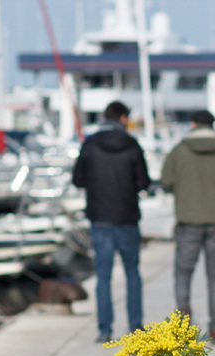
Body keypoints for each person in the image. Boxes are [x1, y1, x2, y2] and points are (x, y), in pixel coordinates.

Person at [160, 109, 215, 344]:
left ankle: (184, 320)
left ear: (193, 124)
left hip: (188, 220)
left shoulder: (180, 150)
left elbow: (166, 181)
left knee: (183, 272)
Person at [72, 100, 151, 343]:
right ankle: (136, 327)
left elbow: (78, 179)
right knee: (133, 274)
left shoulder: (90, 145)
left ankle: (105, 330)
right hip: (127, 218)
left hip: (100, 218)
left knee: (103, 277)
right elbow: (143, 183)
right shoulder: (132, 145)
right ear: (124, 119)